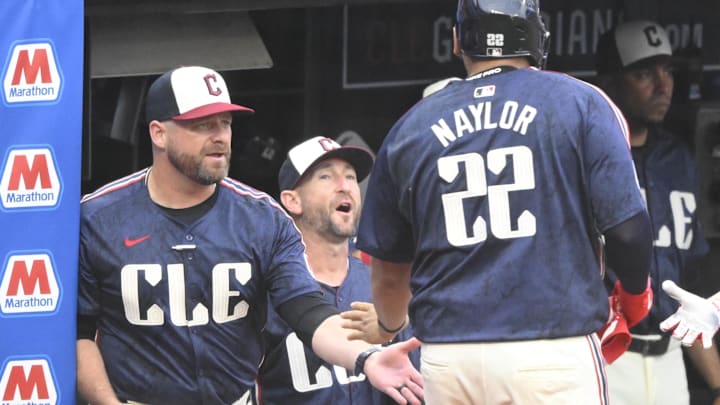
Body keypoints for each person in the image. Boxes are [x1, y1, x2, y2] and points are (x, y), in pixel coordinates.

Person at [344, 0, 654, 403]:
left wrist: (387, 326)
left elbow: (388, 272)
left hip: (448, 360)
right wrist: (634, 299)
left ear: (458, 41)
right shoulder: (581, 101)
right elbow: (628, 230)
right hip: (551, 350)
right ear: (536, 35)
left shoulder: (412, 124)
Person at [76, 65, 423, 405]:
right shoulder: (98, 216)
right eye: (202, 125)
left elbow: (307, 311)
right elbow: (78, 334)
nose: (220, 136)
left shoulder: (263, 217)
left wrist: (365, 358)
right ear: (158, 133)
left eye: (225, 123)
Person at [595, 20, 720, 405]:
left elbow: (688, 290)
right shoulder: (591, 158)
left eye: (667, 71)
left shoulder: (678, 159)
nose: (663, 85)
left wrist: (717, 384)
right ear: (612, 82)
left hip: (670, 362)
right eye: (644, 73)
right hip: (606, 359)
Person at [254, 136, 419, 404]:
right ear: (292, 201)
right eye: (326, 177)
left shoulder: (383, 287)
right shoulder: (268, 291)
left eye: (351, 177)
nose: (345, 187)